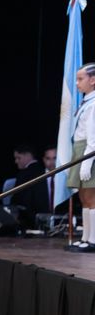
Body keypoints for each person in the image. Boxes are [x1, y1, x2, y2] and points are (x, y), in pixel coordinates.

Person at [69, 63, 95, 251]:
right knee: (83, 198)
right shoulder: (86, 102)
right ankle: (85, 237)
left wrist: (87, 161)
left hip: (88, 151)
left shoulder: (94, 104)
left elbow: (93, 137)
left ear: (93, 80)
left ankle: (93, 240)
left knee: (91, 197)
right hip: (79, 149)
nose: (77, 83)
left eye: (80, 79)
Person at [10, 144, 50, 228]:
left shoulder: (24, 175)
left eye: (18, 158)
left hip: (29, 221)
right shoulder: (43, 171)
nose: (16, 161)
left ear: (28, 155)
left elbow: (17, 200)